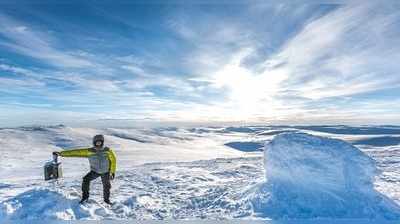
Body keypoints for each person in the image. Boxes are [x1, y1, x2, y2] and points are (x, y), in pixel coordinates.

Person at [53, 134, 116, 204]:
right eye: (97, 142)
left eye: (100, 142)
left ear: (102, 142)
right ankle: (85, 198)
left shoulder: (107, 150)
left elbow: (113, 160)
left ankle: (106, 200)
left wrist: (112, 172)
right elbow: (76, 152)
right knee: (86, 179)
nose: (98, 143)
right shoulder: (90, 151)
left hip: (106, 172)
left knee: (106, 186)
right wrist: (61, 154)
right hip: (95, 171)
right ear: (94, 142)